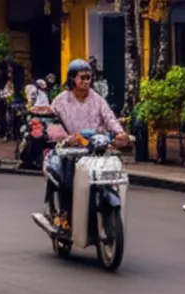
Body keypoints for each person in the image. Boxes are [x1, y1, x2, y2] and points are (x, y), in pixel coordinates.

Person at [46, 59, 128, 229]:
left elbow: (109, 117)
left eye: (89, 78)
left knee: (107, 178)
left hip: (95, 151)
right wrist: (66, 138)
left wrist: (120, 133)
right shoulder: (61, 100)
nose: (86, 81)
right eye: (82, 77)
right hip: (70, 152)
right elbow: (51, 124)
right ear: (72, 79)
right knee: (68, 183)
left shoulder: (98, 100)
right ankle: (65, 216)